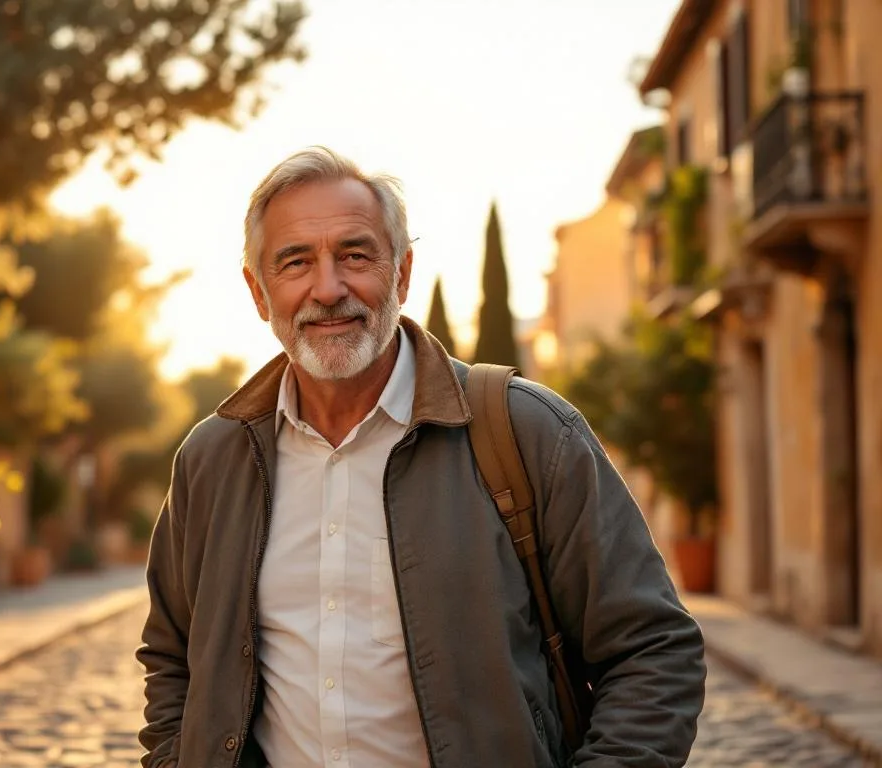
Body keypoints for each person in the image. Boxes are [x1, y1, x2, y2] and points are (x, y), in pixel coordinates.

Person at [136, 146, 706, 768]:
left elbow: (653, 648)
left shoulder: (528, 432)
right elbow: (172, 659)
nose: (328, 289)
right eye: (295, 262)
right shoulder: (213, 460)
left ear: (402, 273)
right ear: (258, 290)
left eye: (355, 255)